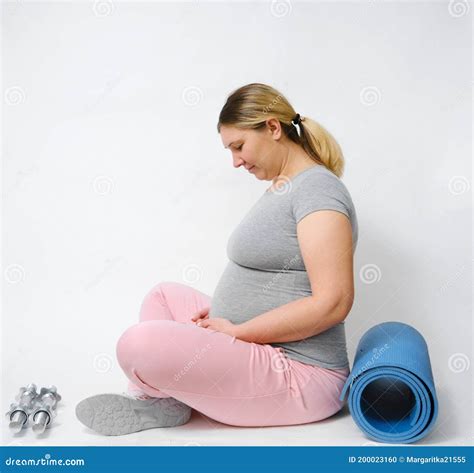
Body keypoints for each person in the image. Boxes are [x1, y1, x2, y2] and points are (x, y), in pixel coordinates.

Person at [76, 82, 358, 436]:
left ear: (273, 128)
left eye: (239, 146)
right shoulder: (286, 187)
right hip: (258, 346)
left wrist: (238, 330)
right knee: (164, 295)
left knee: (138, 344)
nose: (236, 161)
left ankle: (158, 398)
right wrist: (226, 316)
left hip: (302, 374)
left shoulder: (317, 190)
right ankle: (167, 400)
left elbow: (333, 302)